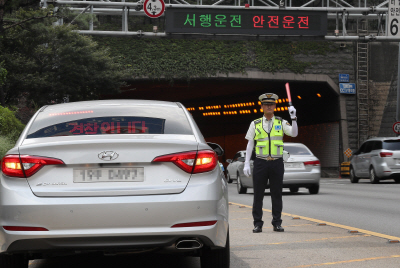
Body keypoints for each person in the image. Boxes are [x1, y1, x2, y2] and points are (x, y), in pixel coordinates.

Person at [243, 93, 298, 233]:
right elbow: (250, 144)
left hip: (277, 162)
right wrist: (246, 163)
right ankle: (257, 224)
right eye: (266, 104)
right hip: (260, 162)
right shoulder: (255, 123)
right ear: (261, 106)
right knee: (258, 195)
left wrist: (294, 118)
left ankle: (277, 223)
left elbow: (294, 133)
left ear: (275, 106)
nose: (269, 106)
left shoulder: (281, 122)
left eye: (271, 104)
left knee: (277, 194)